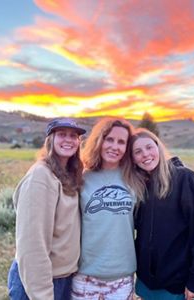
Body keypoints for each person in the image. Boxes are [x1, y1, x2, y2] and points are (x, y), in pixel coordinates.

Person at [129, 128, 194, 300]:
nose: (145, 154)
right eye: (137, 151)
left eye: (149, 147)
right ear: (133, 159)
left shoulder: (184, 178)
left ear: (158, 147)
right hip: (147, 281)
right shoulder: (141, 186)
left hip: (177, 284)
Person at [7, 118, 86, 300]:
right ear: (50, 139)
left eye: (73, 136)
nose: (68, 139)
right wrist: (43, 294)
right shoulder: (40, 177)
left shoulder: (69, 174)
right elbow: (32, 244)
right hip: (42, 282)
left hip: (63, 278)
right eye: (62, 134)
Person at [71, 117, 137, 300]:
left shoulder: (135, 180)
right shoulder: (81, 178)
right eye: (109, 139)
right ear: (99, 140)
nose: (115, 146)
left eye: (121, 142)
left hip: (122, 278)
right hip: (85, 277)